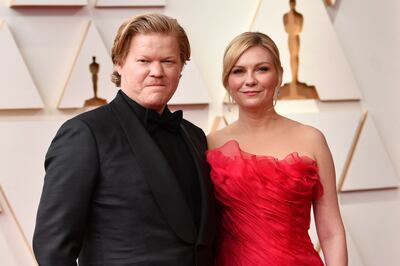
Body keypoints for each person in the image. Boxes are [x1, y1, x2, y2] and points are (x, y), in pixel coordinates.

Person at [33, 13, 216, 266]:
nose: (157, 72)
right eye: (144, 60)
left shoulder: (194, 135)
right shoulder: (85, 134)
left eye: (168, 61)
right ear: (119, 63)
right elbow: (52, 248)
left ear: (181, 66)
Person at [206, 32, 347, 265]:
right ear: (227, 81)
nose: (249, 80)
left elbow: (331, 232)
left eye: (261, 69)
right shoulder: (210, 144)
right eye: (238, 71)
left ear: (279, 75)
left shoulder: (311, 140)